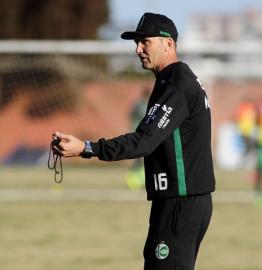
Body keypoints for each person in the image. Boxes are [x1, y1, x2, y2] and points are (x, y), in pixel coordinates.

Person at [53, 12, 215, 270]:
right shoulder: (170, 81)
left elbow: (143, 142)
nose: (138, 49)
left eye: (145, 42)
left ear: (168, 44)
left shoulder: (177, 86)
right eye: (136, 43)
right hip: (176, 201)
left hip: (182, 203)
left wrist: (87, 148)